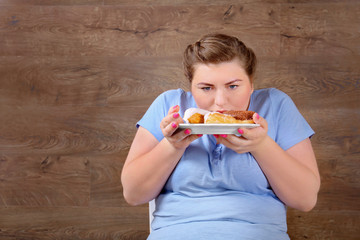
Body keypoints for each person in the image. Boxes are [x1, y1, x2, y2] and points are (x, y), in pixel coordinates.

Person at [121, 33, 320, 240]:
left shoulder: (276, 105)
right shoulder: (168, 105)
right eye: (206, 88)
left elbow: (305, 200)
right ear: (191, 87)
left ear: (251, 84)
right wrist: (172, 145)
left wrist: (261, 145)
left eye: (233, 86)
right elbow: (134, 195)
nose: (220, 102)